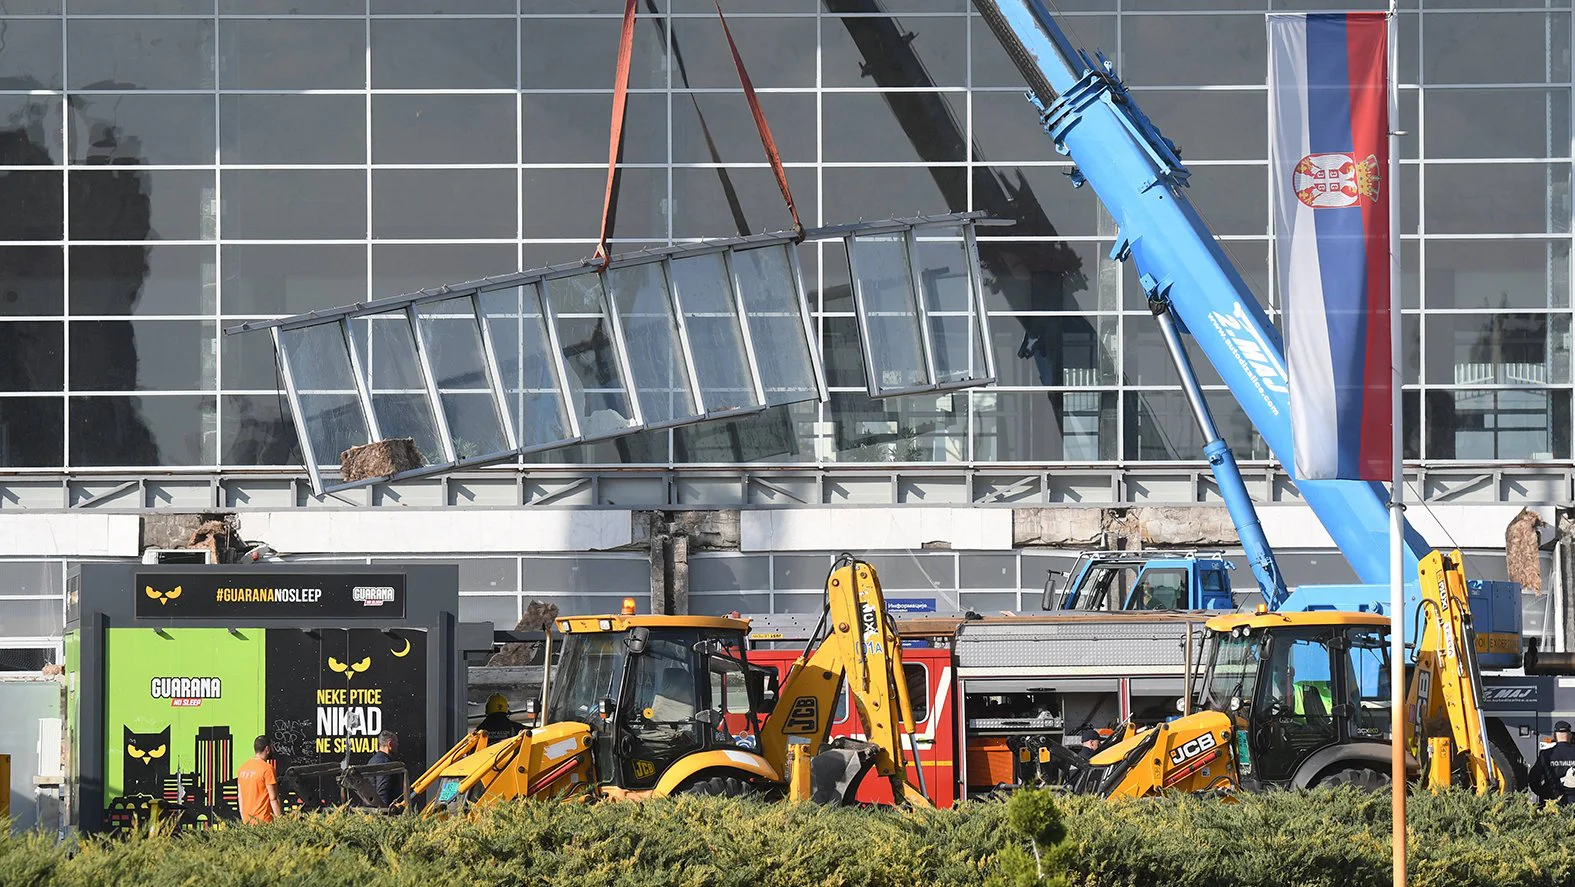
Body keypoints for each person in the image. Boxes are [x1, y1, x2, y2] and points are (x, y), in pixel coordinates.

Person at [237, 735, 281, 824]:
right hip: (264, 821)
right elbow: (273, 798)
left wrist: (244, 819)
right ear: (267, 749)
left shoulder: (242, 768)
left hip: (248, 821)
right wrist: (281, 821)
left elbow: (240, 796)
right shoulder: (267, 769)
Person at [1530, 720, 1575, 805]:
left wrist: (1544, 794)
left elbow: (1533, 779)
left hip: (1552, 802)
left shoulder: (1545, 755)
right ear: (1571, 735)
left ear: (1554, 736)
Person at [365, 731, 402, 808]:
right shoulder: (385, 764)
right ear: (390, 744)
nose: (398, 745)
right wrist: (384, 814)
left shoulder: (372, 760)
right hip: (382, 811)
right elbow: (382, 790)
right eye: (396, 742)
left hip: (371, 809)